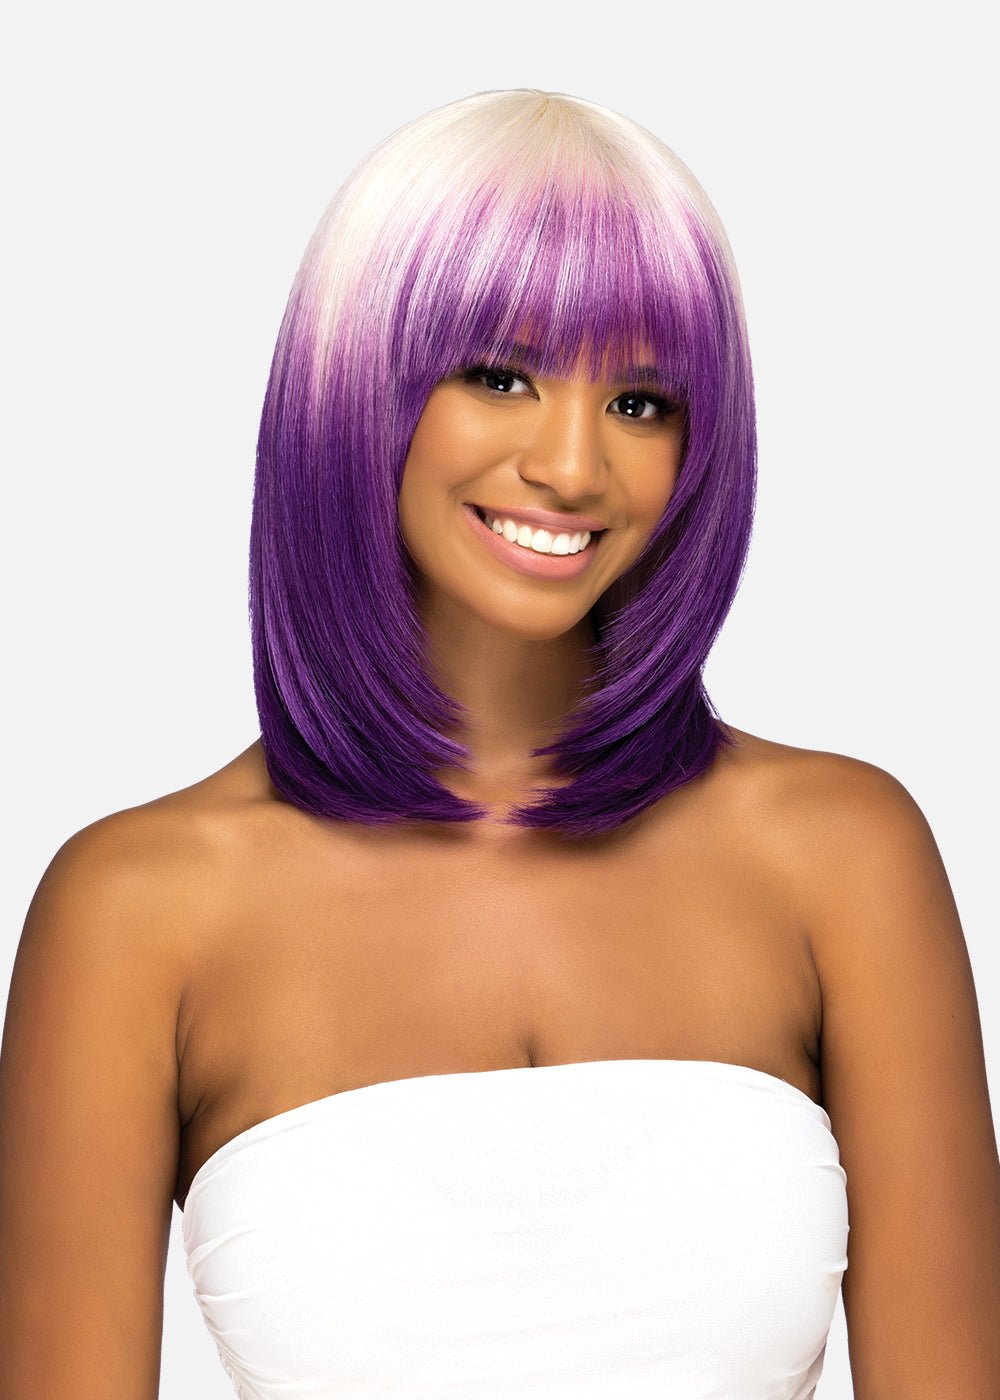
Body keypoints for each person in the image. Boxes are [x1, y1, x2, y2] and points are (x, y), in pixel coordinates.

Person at [1, 87, 997, 1400]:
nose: (573, 466)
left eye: (641, 400)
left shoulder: (841, 856)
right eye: (501, 376)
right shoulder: (136, 908)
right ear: (354, 388)